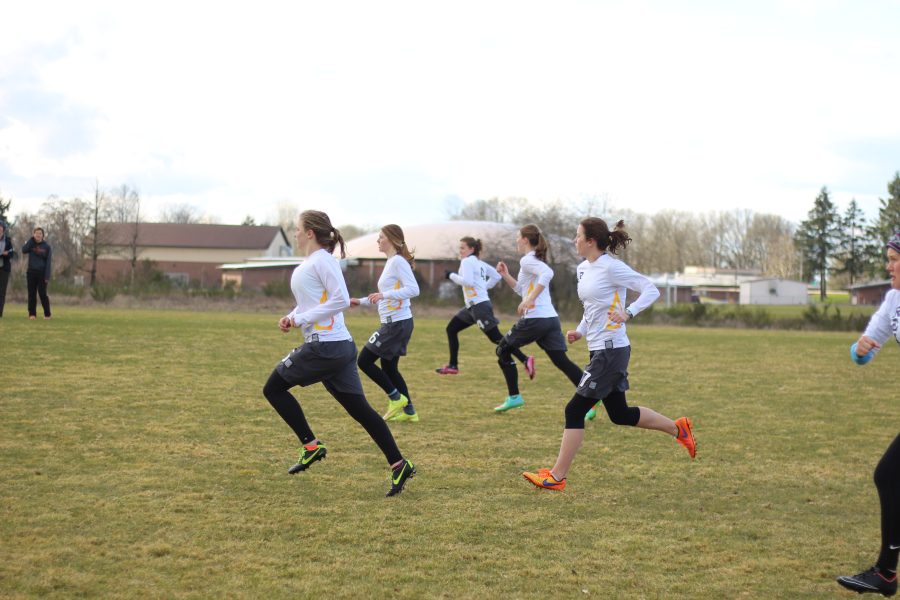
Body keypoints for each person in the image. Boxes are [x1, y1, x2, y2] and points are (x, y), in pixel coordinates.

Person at [522, 217, 696, 492]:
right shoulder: (582, 269)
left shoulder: (612, 267)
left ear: (591, 241)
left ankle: (556, 477)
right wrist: (580, 331)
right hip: (599, 349)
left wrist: (628, 312)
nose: (575, 240)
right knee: (619, 413)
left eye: (578, 235)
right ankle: (679, 429)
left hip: (612, 349)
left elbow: (650, 290)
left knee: (574, 410)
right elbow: (592, 307)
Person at [261, 210, 416, 497]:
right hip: (336, 347)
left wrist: (301, 319)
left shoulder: (323, 260)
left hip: (326, 346)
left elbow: (341, 299)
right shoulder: (312, 262)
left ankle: (310, 445)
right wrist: (292, 316)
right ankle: (399, 464)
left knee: (273, 388)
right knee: (361, 411)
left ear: (310, 233)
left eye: (297, 229)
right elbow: (312, 302)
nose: (294, 233)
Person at [835, 231, 900, 596]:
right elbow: (865, 348)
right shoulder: (893, 300)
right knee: (889, 476)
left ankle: (886, 573)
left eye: (894, 259)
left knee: (889, 475)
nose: (888, 266)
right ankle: (886, 573)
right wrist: (859, 350)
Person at [492, 224, 585, 412]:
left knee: (502, 350)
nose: (517, 241)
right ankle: (591, 395)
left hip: (536, 319)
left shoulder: (528, 260)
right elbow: (522, 290)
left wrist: (530, 300)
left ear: (525, 240)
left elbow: (548, 273)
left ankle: (514, 397)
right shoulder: (531, 260)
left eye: (518, 237)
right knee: (561, 360)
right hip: (550, 319)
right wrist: (505, 275)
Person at [350, 224, 421, 423]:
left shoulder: (398, 261)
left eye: (381, 237)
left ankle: (396, 398)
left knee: (364, 361)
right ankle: (409, 411)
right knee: (389, 368)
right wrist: (360, 301)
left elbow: (414, 289)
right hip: (396, 323)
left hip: (396, 324)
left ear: (391, 239)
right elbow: (382, 296)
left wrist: (384, 294)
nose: (378, 240)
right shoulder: (392, 262)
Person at [435, 236, 534, 377]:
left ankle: (525, 359)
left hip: (479, 307)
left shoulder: (467, 262)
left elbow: (468, 282)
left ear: (472, 249)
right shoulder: (479, 263)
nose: (460, 250)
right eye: (460, 248)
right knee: (451, 329)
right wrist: (483, 288)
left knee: (496, 338)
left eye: (462, 248)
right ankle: (453, 366)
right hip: (472, 307)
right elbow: (496, 276)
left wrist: (451, 275)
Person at [21, 227, 51, 320]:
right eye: (36, 233)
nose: (38, 235)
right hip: (31, 272)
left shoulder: (47, 247)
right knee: (31, 294)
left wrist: (47, 276)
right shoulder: (31, 244)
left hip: (42, 273)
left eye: (40, 233)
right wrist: (31, 240)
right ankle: (32, 314)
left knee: (42, 294)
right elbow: (23, 250)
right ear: (33, 235)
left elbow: (48, 262)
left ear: (43, 235)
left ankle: (47, 314)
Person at [0, 222, 15, 318]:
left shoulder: (8, 240)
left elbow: (11, 253)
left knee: (2, 291)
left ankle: (0, 312)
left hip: (4, 268)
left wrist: (7, 254)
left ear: (3, 229)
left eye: (0, 227)